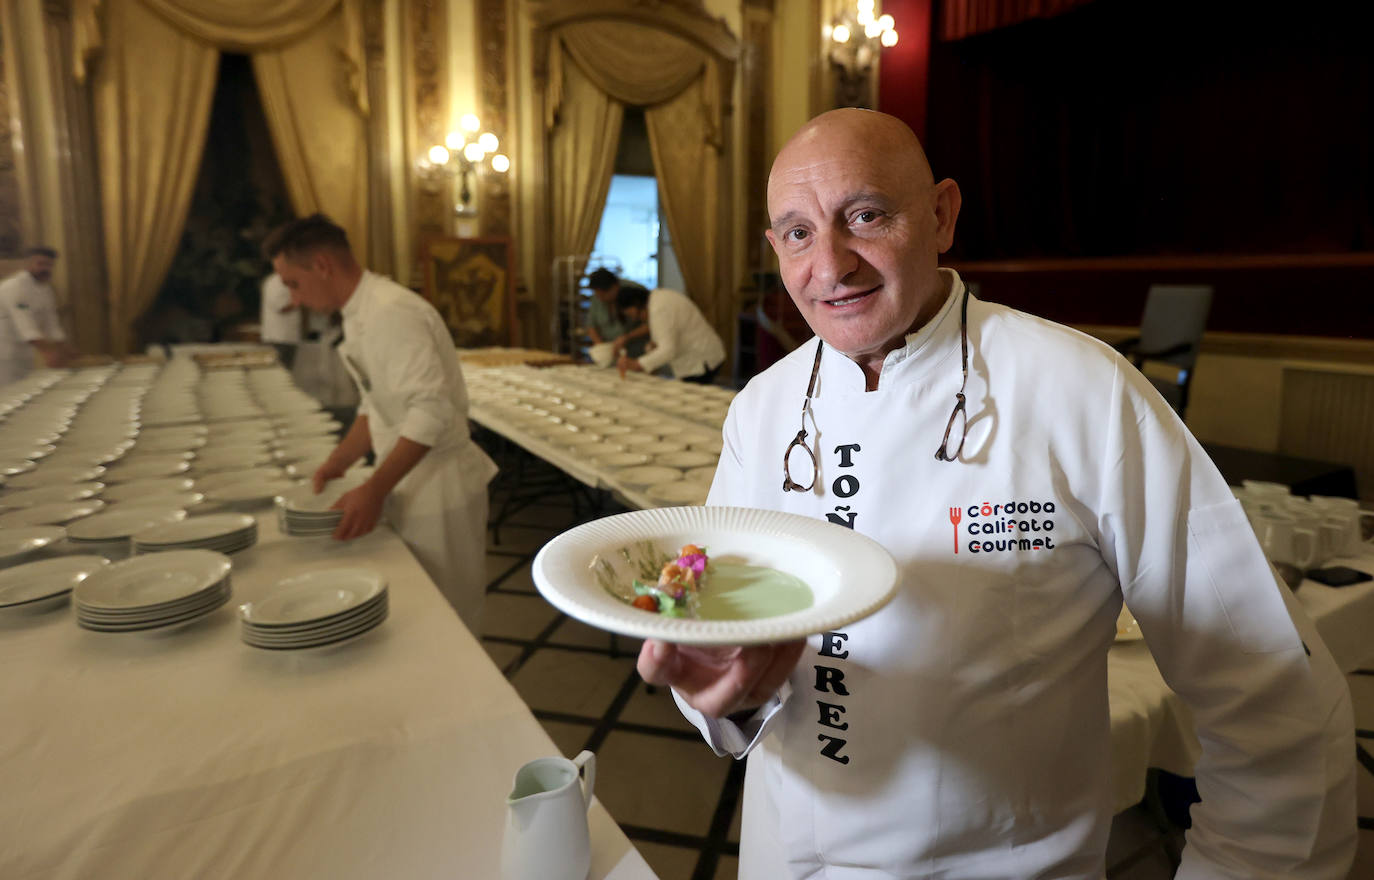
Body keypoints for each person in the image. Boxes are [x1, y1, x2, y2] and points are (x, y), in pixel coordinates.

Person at [637, 109, 1356, 878]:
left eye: (866, 216)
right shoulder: (762, 408)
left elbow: (1274, 698)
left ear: (943, 215)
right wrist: (727, 695)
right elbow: (715, 644)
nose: (832, 265)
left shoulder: (1081, 392)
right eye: (799, 233)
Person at [264, 214, 498, 634]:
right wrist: (340, 460)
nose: (294, 300)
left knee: (450, 618)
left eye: (293, 284)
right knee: (422, 613)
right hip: (409, 475)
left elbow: (431, 412)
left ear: (322, 265)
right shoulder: (359, 312)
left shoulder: (393, 312)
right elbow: (378, 402)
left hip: (438, 482)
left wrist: (373, 488)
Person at [614, 284, 726, 385]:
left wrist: (637, 364)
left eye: (630, 314)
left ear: (635, 304)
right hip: (697, 354)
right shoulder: (657, 299)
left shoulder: (659, 309)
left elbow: (668, 350)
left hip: (700, 359)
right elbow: (666, 334)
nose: (633, 318)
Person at [0, 246, 77, 386]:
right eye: (40, 264)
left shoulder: (45, 288)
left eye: (49, 265)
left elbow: (51, 322)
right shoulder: (13, 287)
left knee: (22, 392)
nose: (45, 269)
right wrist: (49, 353)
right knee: (7, 395)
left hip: (25, 352)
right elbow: (25, 324)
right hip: (5, 353)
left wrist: (63, 347)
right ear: (28, 264)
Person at [584, 268, 649, 360]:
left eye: (603, 295)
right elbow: (591, 326)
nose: (600, 299)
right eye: (598, 295)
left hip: (639, 352)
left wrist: (627, 337)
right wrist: (601, 347)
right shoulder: (597, 296)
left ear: (614, 287)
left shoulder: (634, 292)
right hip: (612, 354)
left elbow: (651, 324)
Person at [259, 271, 303, 369]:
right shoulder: (276, 282)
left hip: (287, 337)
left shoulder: (289, 279)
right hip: (278, 338)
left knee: (286, 371)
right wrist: (300, 300)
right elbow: (280, 307)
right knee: (278, 373)